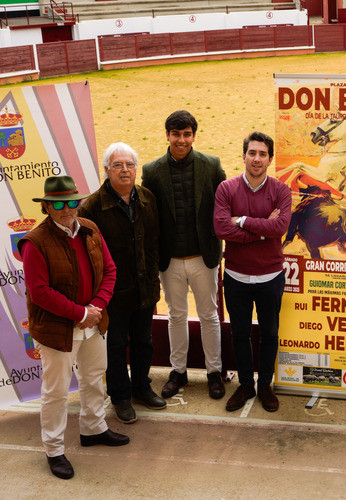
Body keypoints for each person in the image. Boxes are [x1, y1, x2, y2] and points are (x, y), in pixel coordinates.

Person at [19, 175, 128, 480]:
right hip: (58, 329)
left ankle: (93, 429)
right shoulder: (34, 242)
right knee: (55, 392)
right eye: (58, 204)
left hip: (93, 321)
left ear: (79, 202)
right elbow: (39, 292)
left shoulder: (91, 229)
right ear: (46, 208)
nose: (66, 209)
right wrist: (82, 313)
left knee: (94, 377)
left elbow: (110, 269)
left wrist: (97, 307)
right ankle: (54, 450)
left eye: (71, 202)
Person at [142, 110, 227, 400]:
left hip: (204, 257)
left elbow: (224, 207)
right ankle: (178, 371)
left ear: (194, 135)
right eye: (176, 134)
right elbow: (149, 216)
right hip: (170, 259)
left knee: (209, 315)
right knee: (176, 316)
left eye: (187, 134)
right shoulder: (151, 171)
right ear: (167, 135)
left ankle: (214, 371)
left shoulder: (211, 165)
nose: (181, 139)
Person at [79, 142, 165, 424]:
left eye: (129, 164)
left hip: (145, 288)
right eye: (118, 165)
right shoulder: (92, 207)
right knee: (115, 346)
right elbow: (88, 254)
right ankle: (120, 396)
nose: (125, 170)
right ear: (106, 170)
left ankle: (141, 387)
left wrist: (153, 276)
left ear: (136, 168)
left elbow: (154, 241)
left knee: (144, 341)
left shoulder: (148, 198)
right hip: (112, 293)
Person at [213, 131, 292, 412]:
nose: (256, 159)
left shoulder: (281, 190)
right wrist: (261, 232)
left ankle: (264, 386)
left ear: (270, 159)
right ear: (244, 155)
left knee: (270, 333)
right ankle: (246, 384)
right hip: (236, 276)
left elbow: (279, 228)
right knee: (240, 333)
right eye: (252, 153)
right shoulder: (226, 189)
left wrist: (243, 221)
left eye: (262, 154)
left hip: (270, 276)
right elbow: (222, 229)